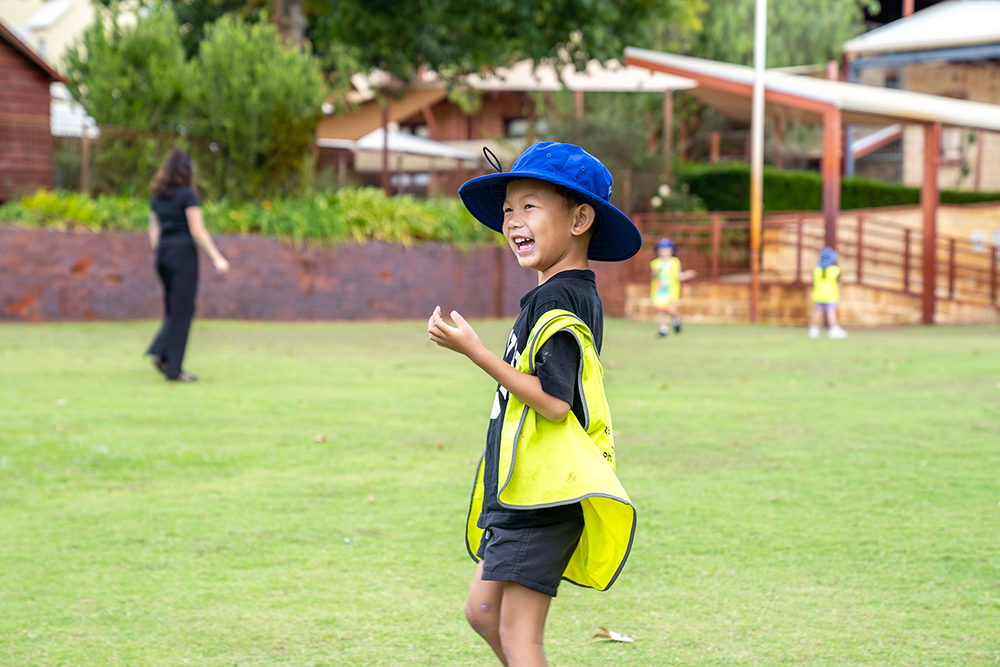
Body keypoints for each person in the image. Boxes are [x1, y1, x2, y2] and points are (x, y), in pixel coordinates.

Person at [427, 142, 637, 667]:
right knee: (481, 613)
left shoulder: (558, 299)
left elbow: (555, 404)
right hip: (527, 488)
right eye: (507, 210)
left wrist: (473, 351)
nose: (513, 221)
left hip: (546, 497)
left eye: (529, 206)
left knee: (521, 637)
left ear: (580, 218)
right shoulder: (566, 292)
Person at [146, 149, 230, 381]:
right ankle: (170, 365)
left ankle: (163, 355)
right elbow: (197, 229)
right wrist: (217, 257)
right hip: (183, 254)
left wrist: (160, 248)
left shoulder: (157, 195)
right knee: (183, 310)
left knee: (174, 309)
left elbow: (154, 229)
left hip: (163, 253)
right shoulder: (187, 195)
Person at [650, 237, 696, 337]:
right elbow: (653, 276)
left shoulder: (675, 262)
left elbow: (678, 276)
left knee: (670, 309)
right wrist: (656, 271)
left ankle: (676, 319)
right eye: (661, 250)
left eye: (666, 250)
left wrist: (686, 275)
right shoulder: (656, 263)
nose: (664, 252)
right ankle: (663, 329)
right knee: (661, 309)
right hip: (659, 290)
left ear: (671, 251)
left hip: (671, 290)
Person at [809, 245, 847, 339]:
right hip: (831, 295)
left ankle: (813, 329)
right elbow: (839, 284)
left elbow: (814, 282)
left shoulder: (816, 270)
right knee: (831, 312)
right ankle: (834, 329)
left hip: (818, 294)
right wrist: (841, 293)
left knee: (817, 311)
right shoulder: (835, 270)